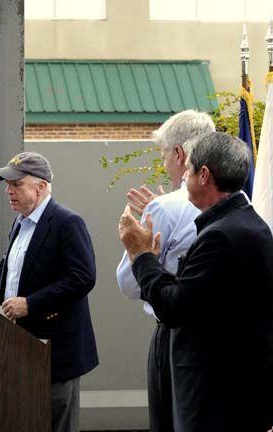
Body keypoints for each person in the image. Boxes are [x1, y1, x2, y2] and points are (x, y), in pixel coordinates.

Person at [119, 132, 273, 431]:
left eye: (187, 169)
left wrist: (141, 255)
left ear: (203, 175)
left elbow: (175, 307)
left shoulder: (221, 236)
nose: (182, 178)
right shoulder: (246, 224)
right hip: (237, 394)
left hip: (216, 398)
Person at [0, 152, 98, 432]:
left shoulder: (67, 222)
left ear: (41, 187)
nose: (8, 190)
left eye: (16, 184)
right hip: (22, 347)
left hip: (56, 352)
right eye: (7, 184)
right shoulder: (20, 221)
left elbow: (83, 277)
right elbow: (7, 263)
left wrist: (31, 303)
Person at [115, 110, 215, 432]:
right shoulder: (243, 202)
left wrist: (148, 234)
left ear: (179, 153)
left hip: (175, 336)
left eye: (164, 156)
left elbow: (128, 285)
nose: (165, 165)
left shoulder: (166, 207)